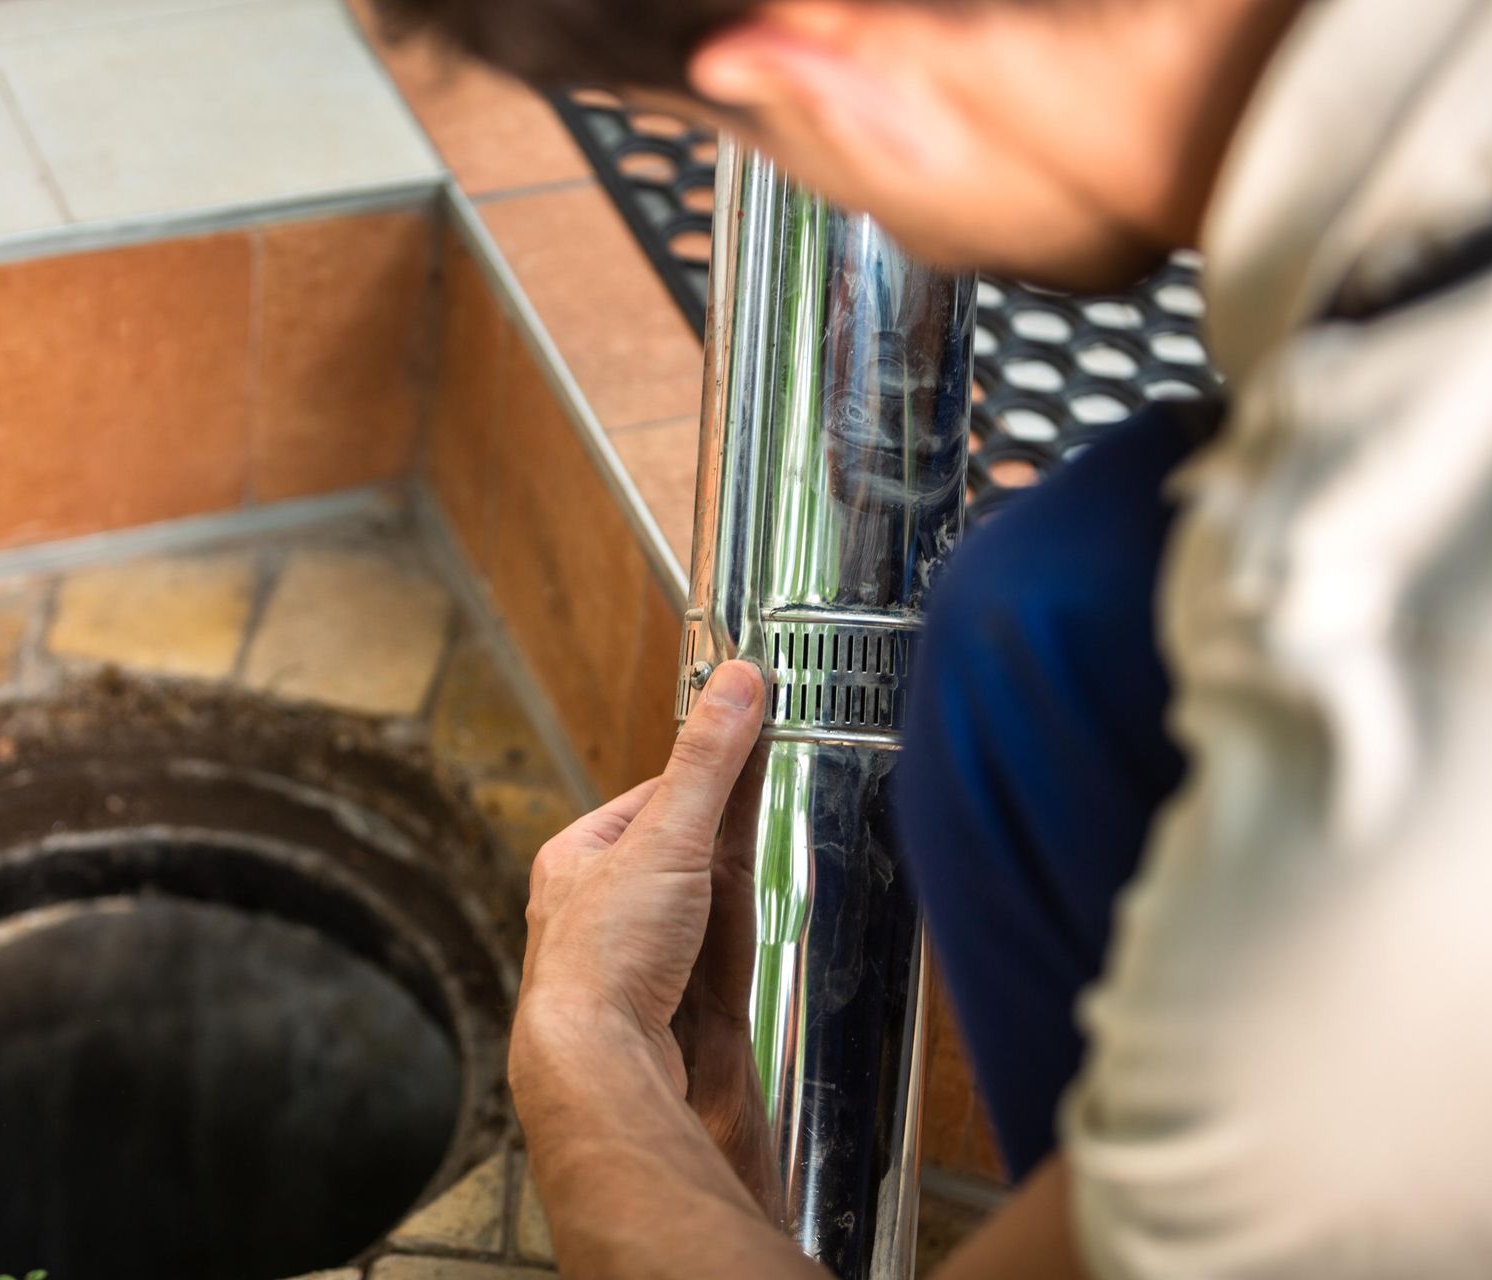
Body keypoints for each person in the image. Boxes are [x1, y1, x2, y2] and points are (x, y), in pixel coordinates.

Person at [372, 0, 1492, 1275]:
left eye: (784, 157)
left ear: (817, 72)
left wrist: (583, 1064)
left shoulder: (1392, 649)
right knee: (1059, 620)